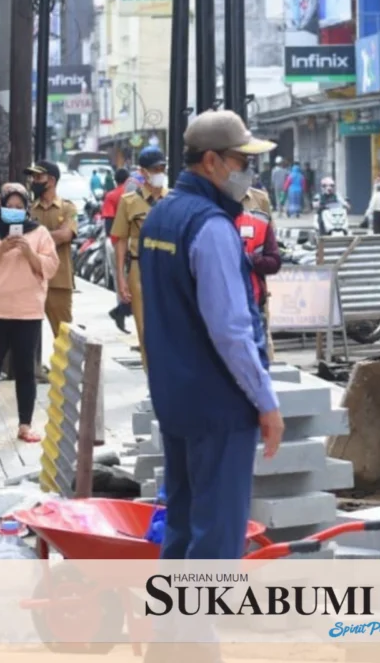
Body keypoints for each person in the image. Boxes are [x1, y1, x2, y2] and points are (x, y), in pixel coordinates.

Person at [139, 109, 284, 560]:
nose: (247, 172)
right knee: (217, 537)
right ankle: (195, 629)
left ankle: (172, 629)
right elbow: (232, 331)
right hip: (218, 405)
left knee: (180, 525)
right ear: (210, 161)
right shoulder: (212, 227)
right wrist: (266, 401)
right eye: (240, 161)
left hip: (175, 397)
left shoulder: (161, 216)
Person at [0, 187, 60, 443]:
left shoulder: (39, 233)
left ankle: (25, 424)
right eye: (11, 205)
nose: (15, 210)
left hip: (28, 311)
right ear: (1, 207)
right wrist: (2, 249)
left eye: (20, 206)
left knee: (25, 371)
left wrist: (27, 251)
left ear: (27, 208)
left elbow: (50, 267)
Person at [113, 146, 169, 372]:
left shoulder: (172, 198)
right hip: (139, 267)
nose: (160, 172)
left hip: (167, 267)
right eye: (156, 168)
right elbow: (121, 242)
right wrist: (121, 278)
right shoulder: (129, 202)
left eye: (163, 168)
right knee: (145, 330)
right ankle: (152, 381)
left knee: (169, 327)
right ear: (143, 172)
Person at [25, 161, 78, 338]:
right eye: (33, 177)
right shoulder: (28, 210)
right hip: (31, 280)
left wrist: (35, 238)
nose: (34, 181)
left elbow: (65, 235)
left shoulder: (68, 207)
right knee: (27, 335)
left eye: (38, 177)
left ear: (52, 180)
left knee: (63, 336)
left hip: (59, 281)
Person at [238, 189, 282, 362]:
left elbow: (273, 258)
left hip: (255, 295)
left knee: (259, 348)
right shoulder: (214, 217)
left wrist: (252, 259)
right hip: (224, 300)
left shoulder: (260, 207)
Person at [102, 168, 132, 333]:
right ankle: (121, 311)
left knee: (119, 278)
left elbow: (108, 223)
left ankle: (120, 310)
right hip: (130, 243)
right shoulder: (135, 196)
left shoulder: (112, 195)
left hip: (115, 242)